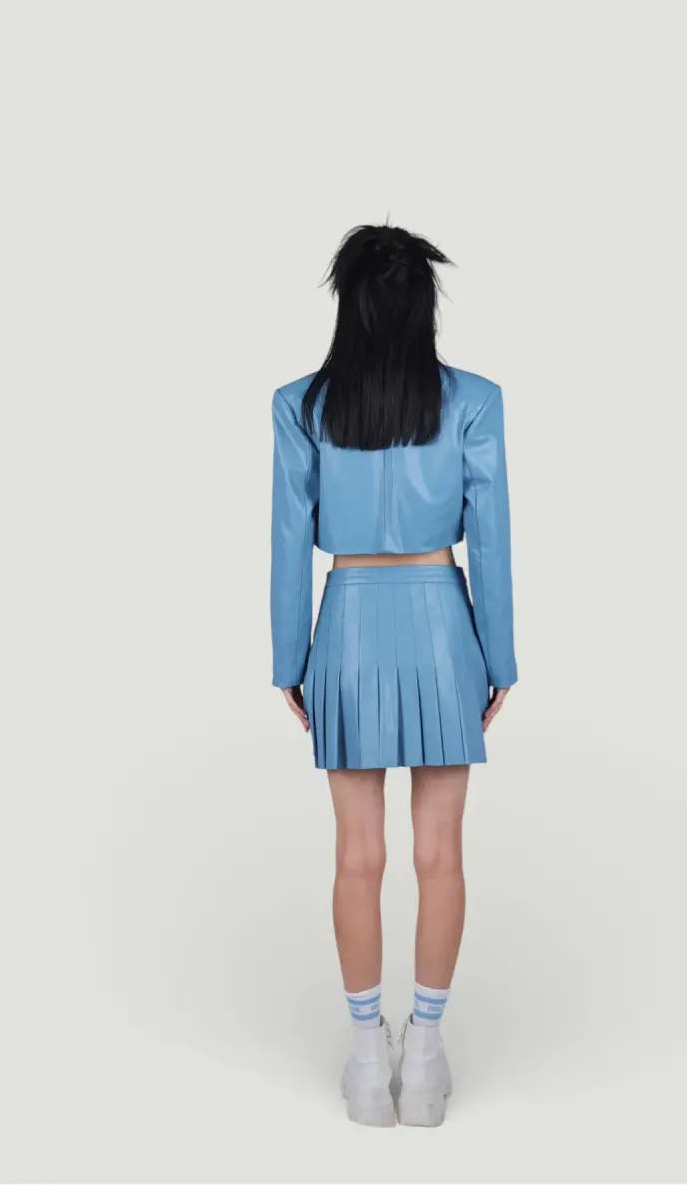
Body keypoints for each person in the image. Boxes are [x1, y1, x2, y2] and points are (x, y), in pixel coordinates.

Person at [270, 223, 517, 1127]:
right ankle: (428, 1057)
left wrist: (287, 658)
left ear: (349, 305)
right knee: (440, 853)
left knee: (356, 855)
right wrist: (500, 657)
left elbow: (288, 540)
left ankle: (368, 1057)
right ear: (424, 306)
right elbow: (489, 538)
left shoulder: (300, 406)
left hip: (346, 626)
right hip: (444, 623)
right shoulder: (475, 402)